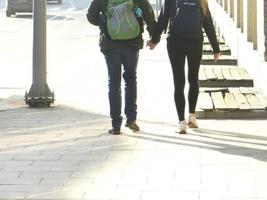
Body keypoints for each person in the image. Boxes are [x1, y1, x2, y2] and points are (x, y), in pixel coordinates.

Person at [147, 0, 221, 134]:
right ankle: (192, 116)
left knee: (178, 82)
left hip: (175, 42)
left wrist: (154, 40)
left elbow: (163, 18)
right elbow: (208, 22)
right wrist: (215, 48)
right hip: (195, 42)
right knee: (193, 79)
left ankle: (181, 123)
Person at [86, 0, 157, 134]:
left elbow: (91, 16)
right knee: (130, 79)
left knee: (114, 83)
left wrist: (107, 22)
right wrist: (154, 37)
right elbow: (148, 15)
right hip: (132, 43)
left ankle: (116, 124)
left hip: (110, 43)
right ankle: (131, 119)